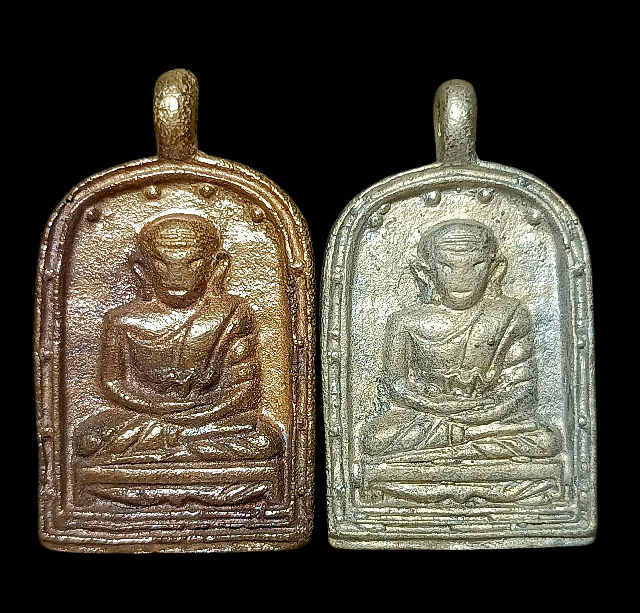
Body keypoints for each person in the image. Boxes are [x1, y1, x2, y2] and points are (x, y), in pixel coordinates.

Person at [74, 212, 281, 463]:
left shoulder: (232, 313)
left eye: (193, 262)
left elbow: (244, 389)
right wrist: (160, 409)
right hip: (147, 416)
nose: (176, 274)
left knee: (265, 439)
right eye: (162, 263)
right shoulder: (121, 321)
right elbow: (113, 383)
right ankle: (180, 445)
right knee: (88, 440)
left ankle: (163, 449)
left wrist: (199, 416)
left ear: (216, 265)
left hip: (211, 418)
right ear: (142, 268)